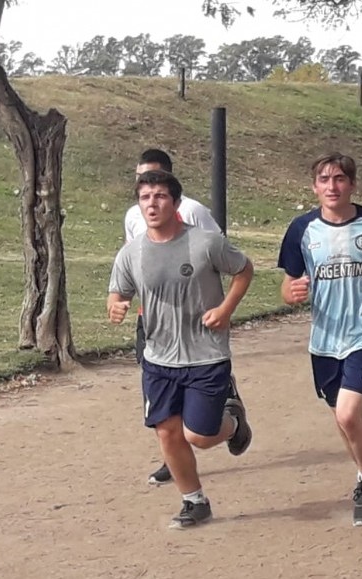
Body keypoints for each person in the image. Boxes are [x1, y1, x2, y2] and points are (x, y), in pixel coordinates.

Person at [108, 169, 254, 529]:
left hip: (205, 353)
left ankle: (233, 423)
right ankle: (194, 501)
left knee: (200, 436)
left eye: (159, 196)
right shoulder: (132, 252)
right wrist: (116, 305)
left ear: (175, 203)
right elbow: (119, 290)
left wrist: (225, 309)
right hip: (158, 357)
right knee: (167, 432)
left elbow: (244, 269)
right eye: (145, 197)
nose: (152, 203)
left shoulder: (205, 242)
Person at [277, 152, 362, 527]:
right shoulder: (302, 229)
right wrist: (293, 293)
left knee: (350, 414)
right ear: (314, 186)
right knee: (342, 417)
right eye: (324, 179)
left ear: (352, 184)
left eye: (339, 179)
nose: (332, 186)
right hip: (324, 338)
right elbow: (288, 284)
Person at [126, 149, 225, 488]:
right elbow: (135, 262)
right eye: (141, 184)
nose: (149, 195)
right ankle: (174, 460)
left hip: (197, 329)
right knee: (163, 415)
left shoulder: (195, 212)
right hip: (152, 322)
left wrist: (219, 306)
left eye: (154, 182)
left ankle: (220, 413)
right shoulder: (133, 217)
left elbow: (219, 252)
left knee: (198, 429)